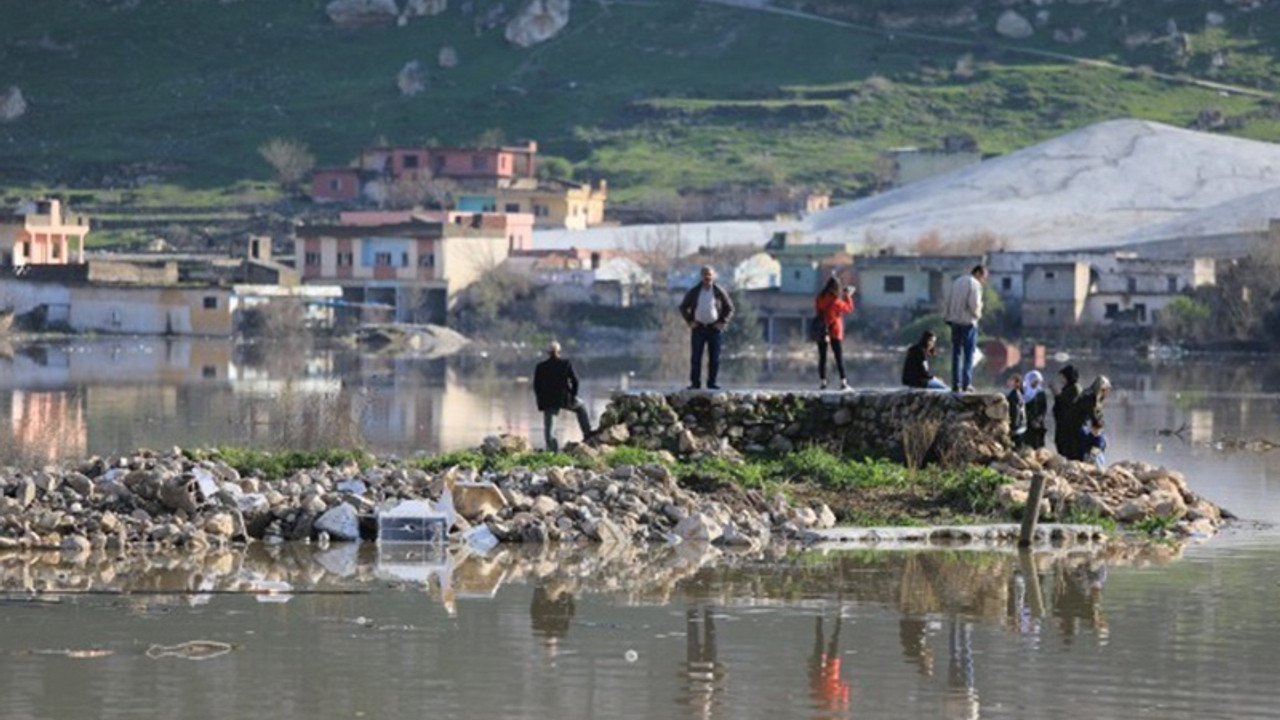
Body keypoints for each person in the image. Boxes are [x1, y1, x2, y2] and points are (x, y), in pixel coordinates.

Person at [679, 265, 735, 390]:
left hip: (714, 329)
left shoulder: (719, 291)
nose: (707, 277)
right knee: (696, 358)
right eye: (705, 275)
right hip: (698, 328)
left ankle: (712, 383)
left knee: (714, 358)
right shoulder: (694, 291)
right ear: (702, 276)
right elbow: (683, 307)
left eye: (710, 275)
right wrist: (690, 321)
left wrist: (723, 322)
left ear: (713, 276)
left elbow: (730, 308)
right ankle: (695, 383)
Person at [532, 341, 593, 452]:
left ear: (547, 352)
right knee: (581, 408)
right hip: (565, 398)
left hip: (549, 401)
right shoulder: (565, 364)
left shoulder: (540, 367)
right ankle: (588, 434)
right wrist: (573, 395)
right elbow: (575, 381)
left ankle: (553, 451)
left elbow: (537, 387)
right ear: (559, 351)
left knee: (549, 430)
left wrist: (541, 402)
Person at [942, 265, 987, 392]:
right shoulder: (975, 284)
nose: (983, 280)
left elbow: (947, 300)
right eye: (983, 277)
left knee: (956, 353)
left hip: (954, 322)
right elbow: (974, 304)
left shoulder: (956, 281)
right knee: (968, 355)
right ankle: (966, 384)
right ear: (978, 273)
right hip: (968, 323)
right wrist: (978, 315)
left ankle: (955, 384)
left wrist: (946, 316)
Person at [814, 277, 855, 390]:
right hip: (835, 331)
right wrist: (848, 296)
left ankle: (823, 382)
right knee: (838, 357)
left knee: (822, 357)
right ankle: (843, 382)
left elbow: (818, 311)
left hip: (821, 330)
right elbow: (849, 309)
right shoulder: (836, 301)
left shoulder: (820, 298)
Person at [1064, 375, 1111, 462]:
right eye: (1104, 390)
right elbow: (1095, 417)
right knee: (1098, 441)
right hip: (1076, 427)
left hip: (1077, 426)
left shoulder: (1088, 393)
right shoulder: (1090, 397)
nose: (1106, 394)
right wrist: (1099, 428)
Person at [1051, 365, 1082, 459]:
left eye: (1063, 377)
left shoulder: (1074, 389)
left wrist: (1056, 394)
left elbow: (1066, 405)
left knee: (1069, 451)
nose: (1062, 380)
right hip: (1063, 426)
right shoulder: (1068, 389)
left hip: (1070, 429)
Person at [1022, 370, 1048, 449]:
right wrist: (1031, 419)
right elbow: (1024, 408)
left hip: (1039, 423)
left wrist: (1040, 418)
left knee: (1039, 443)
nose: (1036, 383)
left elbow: (1044, 407)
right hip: (1027, 422)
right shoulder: (1024, 392)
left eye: (1038, 381)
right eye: (1034, 381)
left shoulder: (1041, 392)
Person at [1006, 373, 1027, 447]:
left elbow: (1016, 412)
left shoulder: (1014, 394)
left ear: (1016, 382)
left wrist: (1013, 426)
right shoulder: (1018, 393)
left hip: (1017, 428)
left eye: (1011, 380)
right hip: (1021, 426)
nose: (1008, 382)